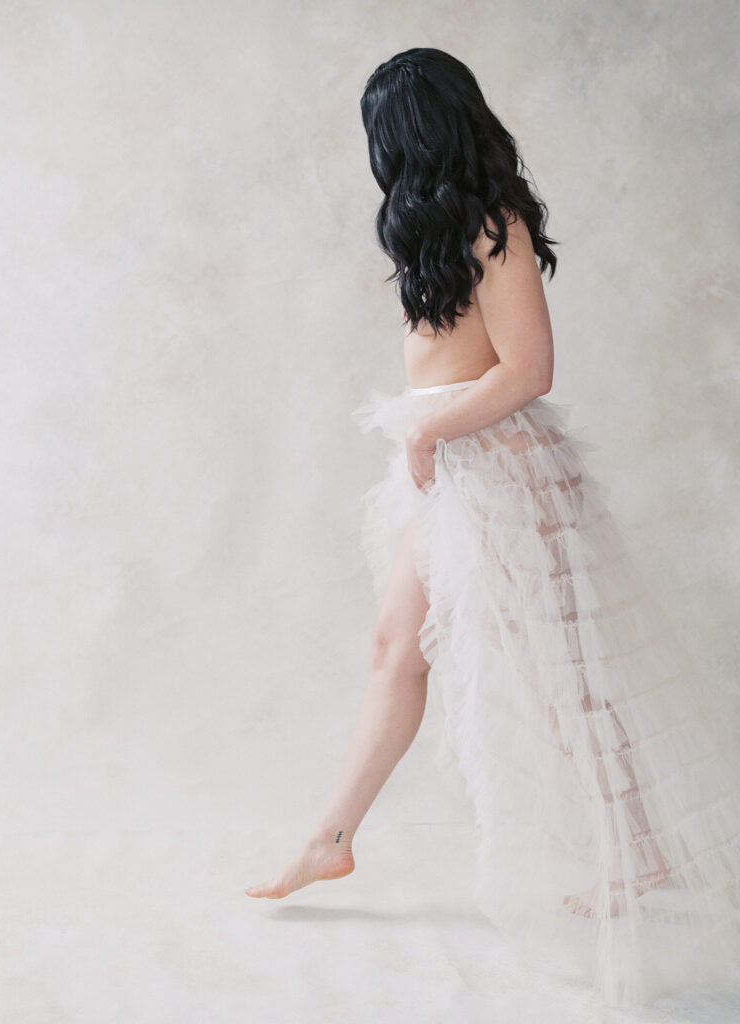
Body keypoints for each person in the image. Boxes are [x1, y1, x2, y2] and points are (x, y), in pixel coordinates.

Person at [244, 48, 740, 1009]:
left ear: (411, 133)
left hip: (502, 470)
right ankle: (333, 837)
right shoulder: (441, 230)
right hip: (447, 471)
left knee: (556, 667)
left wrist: (429, 423)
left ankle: (635, 848)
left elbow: (530, 369)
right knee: (397, 647)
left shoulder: (495, 223)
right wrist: (425, 432)